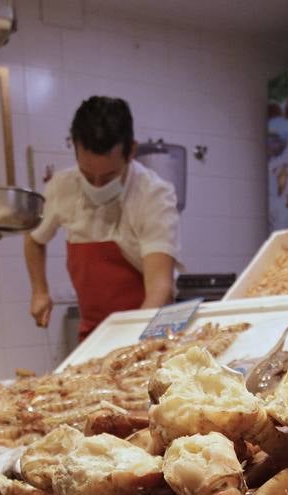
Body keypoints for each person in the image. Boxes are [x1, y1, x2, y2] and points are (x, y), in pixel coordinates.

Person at [24, 96, 180, 341]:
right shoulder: (61, 187)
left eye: (108, 176)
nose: (96, 185)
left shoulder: (154, 194)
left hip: (146, 326)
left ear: (131, 151)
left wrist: (134, 346)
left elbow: (160, 287)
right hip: (94, 331)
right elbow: (34, 239)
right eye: (87, 174)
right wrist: (39, 292)